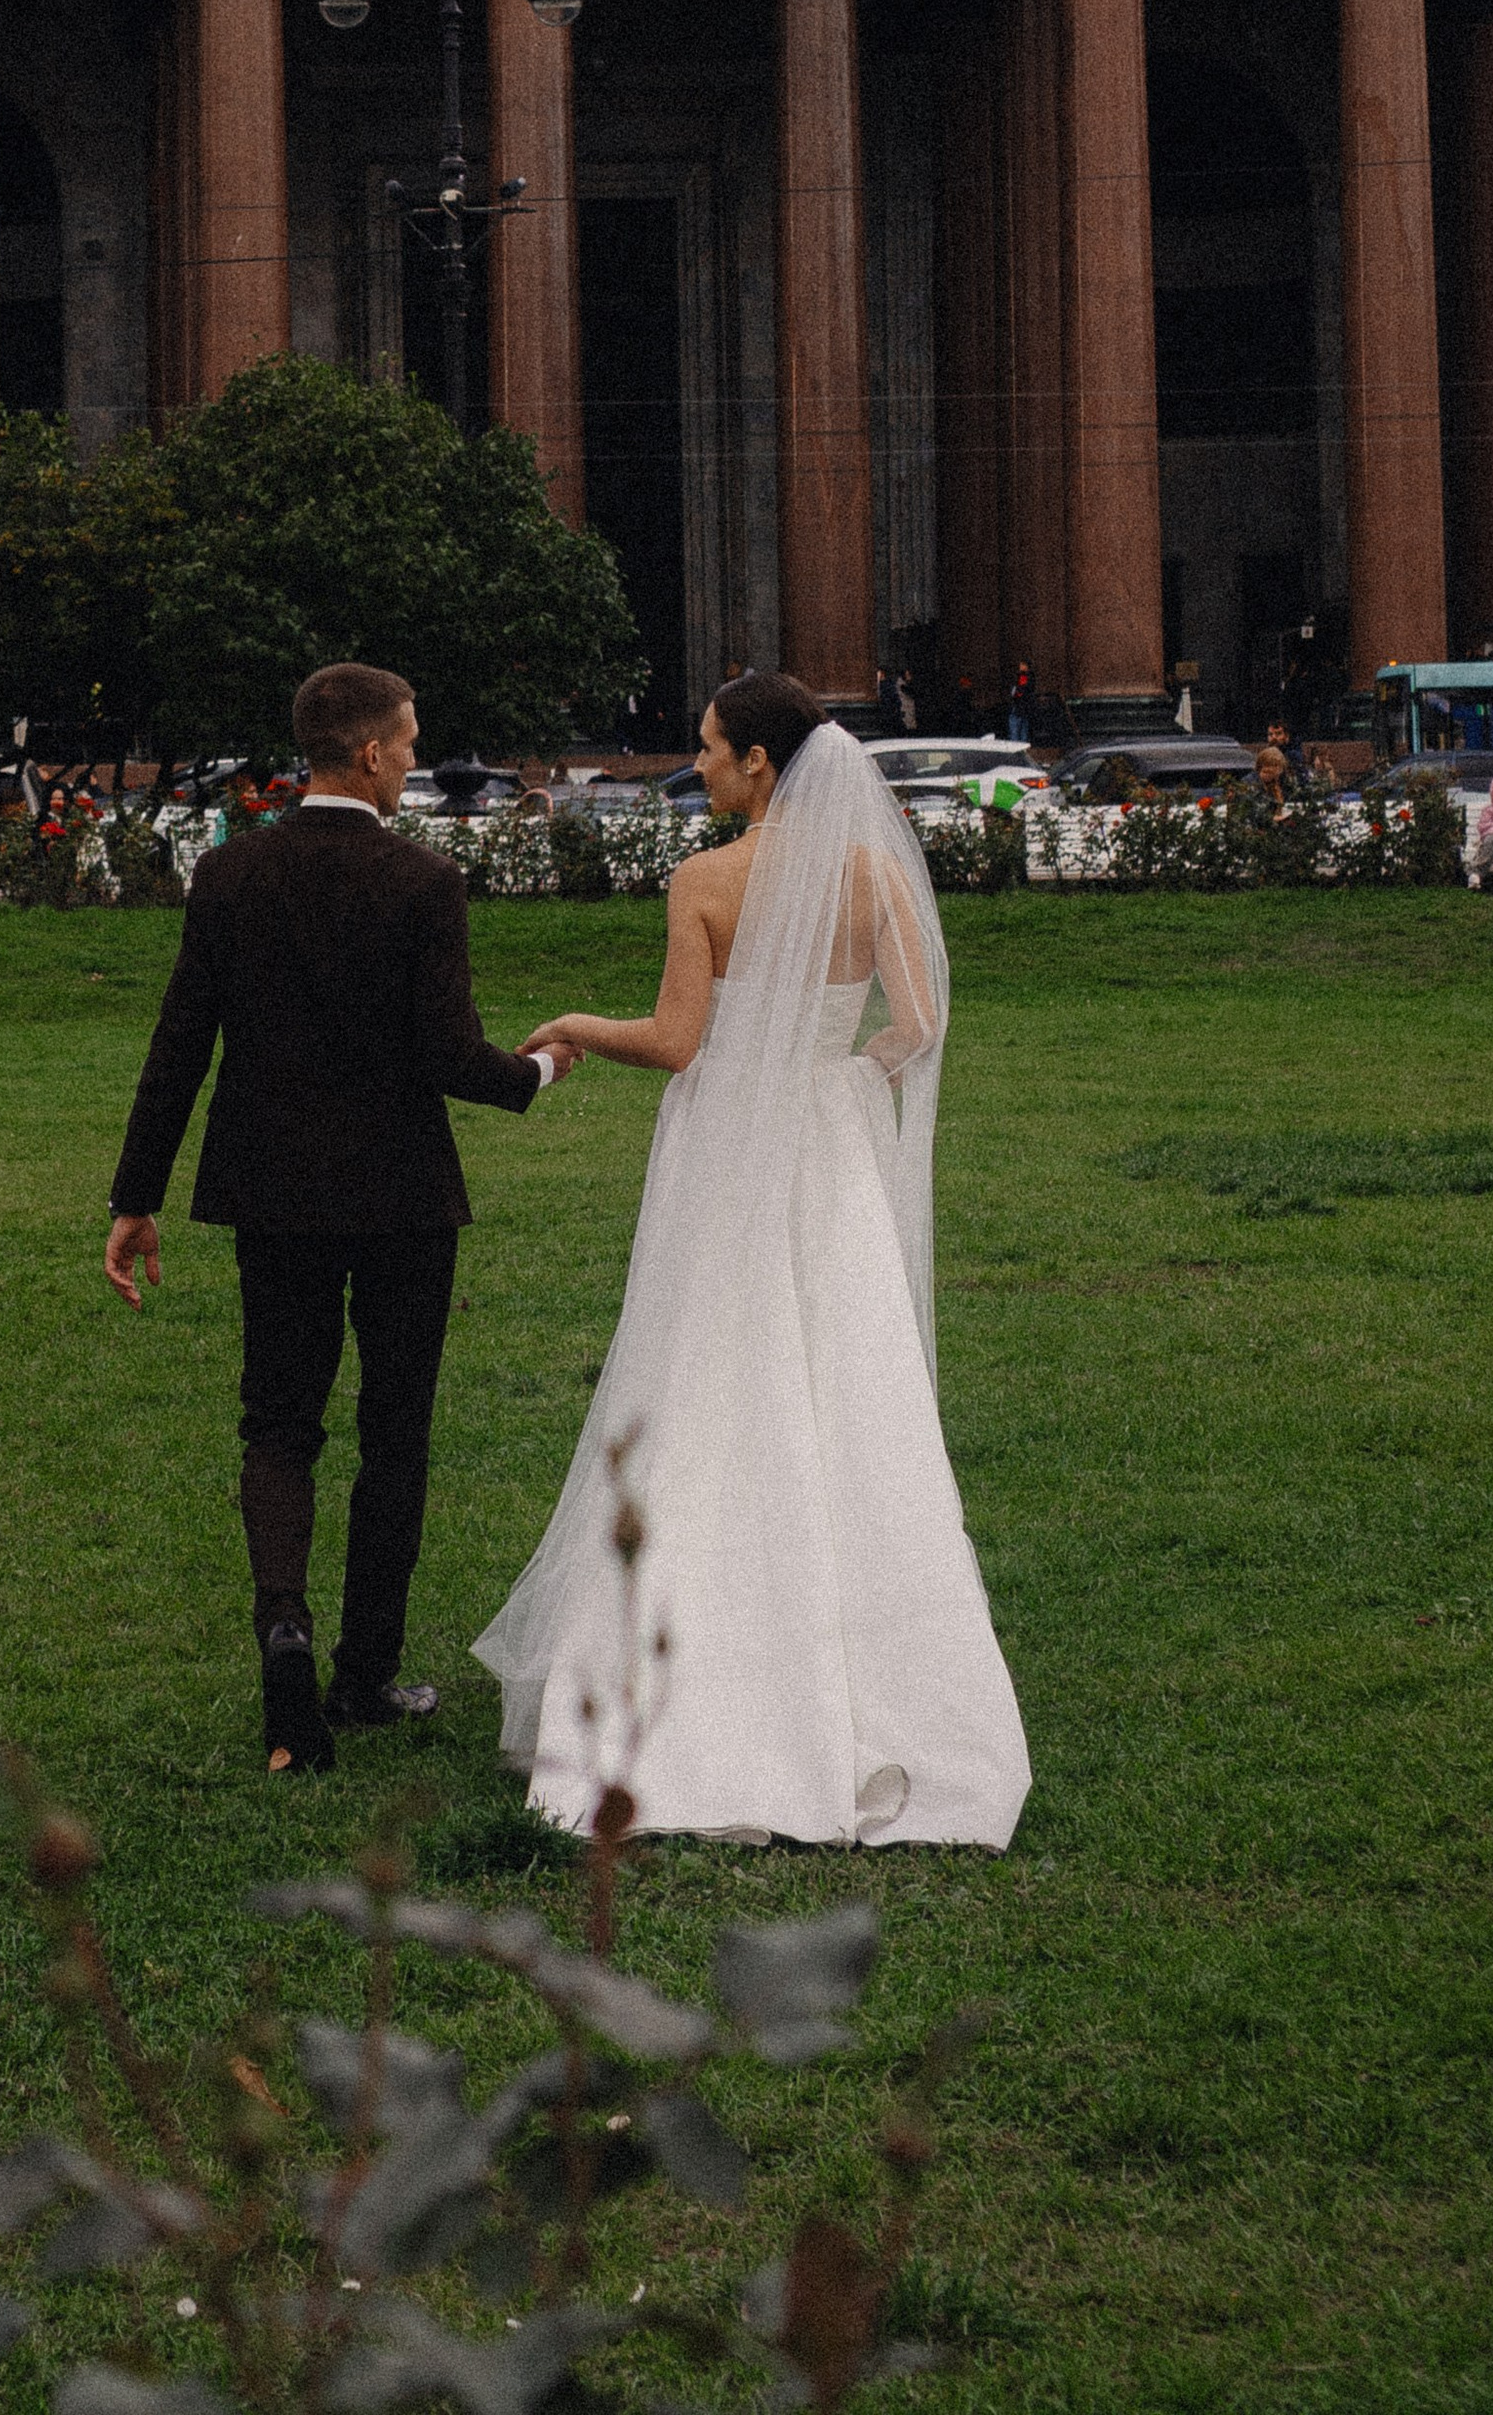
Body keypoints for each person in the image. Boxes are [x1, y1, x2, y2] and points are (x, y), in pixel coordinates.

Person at [475, 671, 1030, 1850]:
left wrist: (575, 1023)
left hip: (728, 1144)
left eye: (713, 749)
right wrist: (843, 1081)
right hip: (824, 1145)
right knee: (844, 1373)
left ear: (762, 765)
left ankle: (694, 1670)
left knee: (707, 1374)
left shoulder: (705, 881)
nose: (702, 766)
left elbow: (677, 1042)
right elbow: (919, 1025)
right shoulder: (872, 874)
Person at [105, 662, 573, 1776]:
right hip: (402, 1198)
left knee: (279, 1424)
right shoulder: (422, 881)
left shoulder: (227, 874)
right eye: (408, 743)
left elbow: (179, 1049)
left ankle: (285, 1640)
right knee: (392, 1433)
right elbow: (450, 1057)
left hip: (269, 1193)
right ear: (366, 753)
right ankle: (361, 1674)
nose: (414, 759)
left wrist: (136, 1198)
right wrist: (542, 1072)